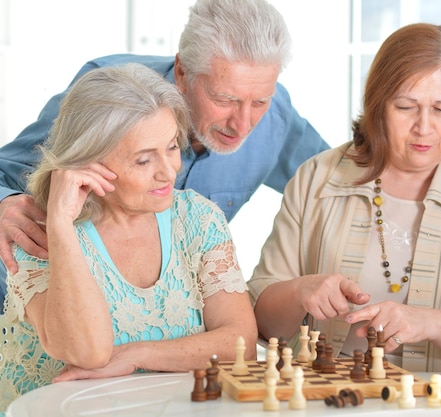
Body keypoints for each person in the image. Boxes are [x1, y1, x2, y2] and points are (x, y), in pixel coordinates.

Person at [247, 23, 441, 373]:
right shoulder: (316, 178)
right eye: (405, 106)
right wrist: (300, 292)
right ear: (377, 105)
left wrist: (431, 323)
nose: (424, 128)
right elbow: (261, 320)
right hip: (322, 400)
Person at [0, 0, 329, 304]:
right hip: (50, 306)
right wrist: (4, 202)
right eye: (224, 100)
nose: (242, 125)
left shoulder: (277, 115)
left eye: (259, 102)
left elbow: (341, 177)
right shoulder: (108, 94)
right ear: (183, 72)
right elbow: (6, 170)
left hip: (166, 323)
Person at [0, 63, 257, 412]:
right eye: (143, 160)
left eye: (170, 147)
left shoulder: (198, 218)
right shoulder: (37, 232)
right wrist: (60, 222)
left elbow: (240, 342)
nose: (169, 172)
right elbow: (87, 353)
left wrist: (136, 355)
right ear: (88, 162)